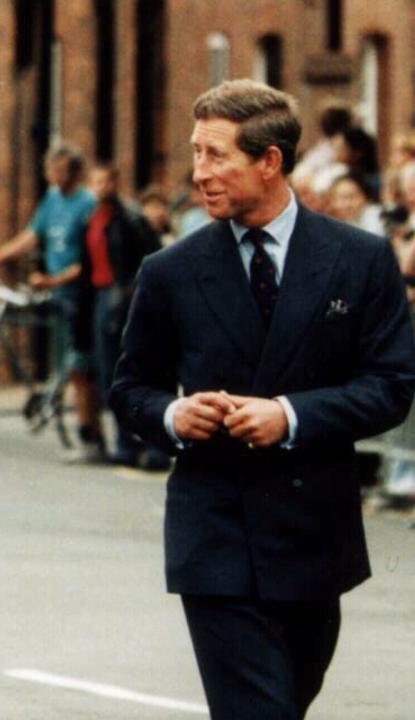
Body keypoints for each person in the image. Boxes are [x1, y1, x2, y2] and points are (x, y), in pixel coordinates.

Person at [110, 79, 415, 720]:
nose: (200, 173)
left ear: (269, 161)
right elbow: (131, 387)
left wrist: (292, 416)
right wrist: (172, 414)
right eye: (196, 153)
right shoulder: (170, 271)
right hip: (215, 535)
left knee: (286, 704)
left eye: (217, 155)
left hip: (314, 536)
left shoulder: (358, 260)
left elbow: (392, 386)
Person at [0, 143, 104, 461]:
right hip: (55, 294)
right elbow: (31, 235)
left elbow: (90, 260)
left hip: (79, 295)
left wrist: (55, 280)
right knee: (66, 363)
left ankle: (92, 437)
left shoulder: (87, 203)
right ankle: (76, 421)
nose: (55, 177)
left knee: (79, 367)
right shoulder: (52, 200)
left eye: (61, 171)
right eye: (51, 171)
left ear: (75, 172)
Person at [83, 164, 169, 470]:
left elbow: (150, 258)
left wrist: (132, 291)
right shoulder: (92, 219)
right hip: (101, 295)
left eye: (106, 180)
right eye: (95, 181)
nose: (101, 187)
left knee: (136, 368)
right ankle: (125, 442)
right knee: (110, 373)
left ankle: (151, 444)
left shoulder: (129, 218)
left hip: (124, 296)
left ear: (115, 183)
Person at [326, 172, 384, 236]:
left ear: (366, 197)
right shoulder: (330, 221)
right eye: (342, 198)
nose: (348, 204)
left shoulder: (376, 215)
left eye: (352, 197)